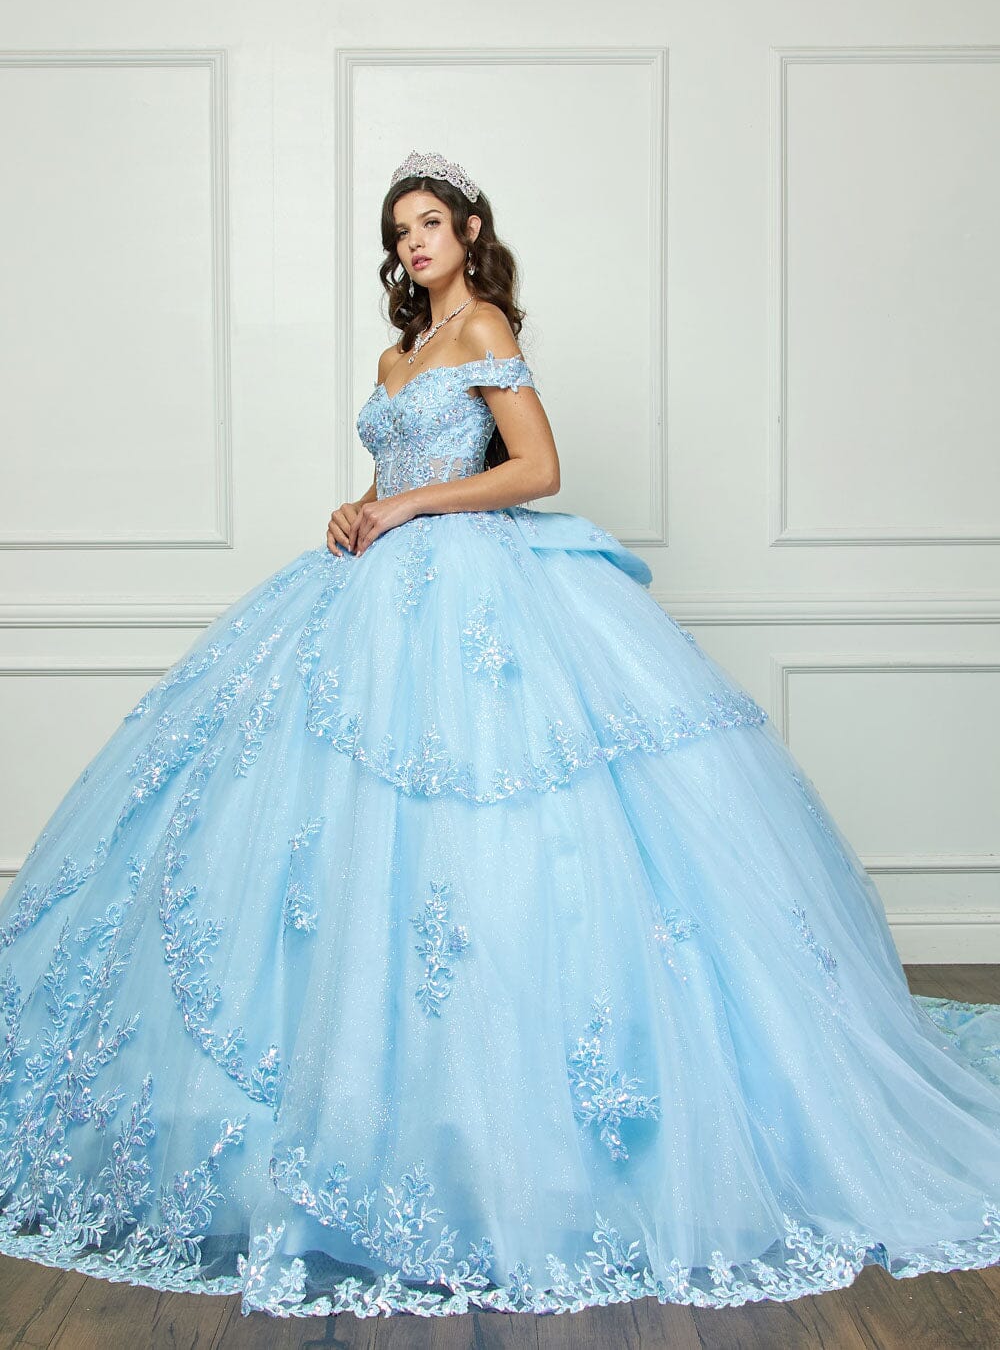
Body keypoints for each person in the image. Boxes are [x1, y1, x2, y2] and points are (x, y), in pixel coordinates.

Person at [1, 150, 999, 1324]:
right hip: (373, 594)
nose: (415, 243)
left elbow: (536, 467)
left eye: (431, 222)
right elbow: (394, 467)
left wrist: (407, 502)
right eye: (401, 230)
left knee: (497, 822)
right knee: (327, 828)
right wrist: (360, 505)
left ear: (471, 230)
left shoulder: (480, 329)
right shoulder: (398, 354)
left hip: (476, 591)